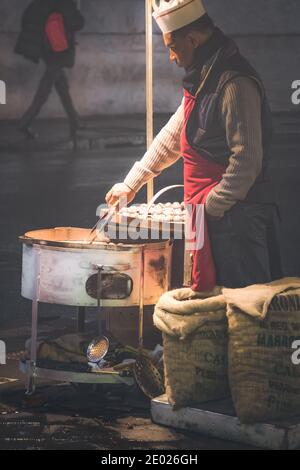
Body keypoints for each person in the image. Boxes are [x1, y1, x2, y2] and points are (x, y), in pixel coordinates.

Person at [106, 0, 283, 292]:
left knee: (245, 305)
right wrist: (131, 183)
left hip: (239, 217)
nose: (172, 57)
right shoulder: (203, 79)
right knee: (215, 302)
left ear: (193, 39)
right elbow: (175, 136)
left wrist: (213, 206)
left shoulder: (233, 83)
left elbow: (247, 160)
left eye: (173, 47)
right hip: (217, 216)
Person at [15, 0, 85, 140]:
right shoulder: (64, 3)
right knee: (45, 87)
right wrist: (77, 8)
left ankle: (74, 121)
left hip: (45, 49)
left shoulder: (40, 3)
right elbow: (77, 23)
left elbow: (27, 19)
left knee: (61, 86)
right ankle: (25, 121)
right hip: (58, 49)